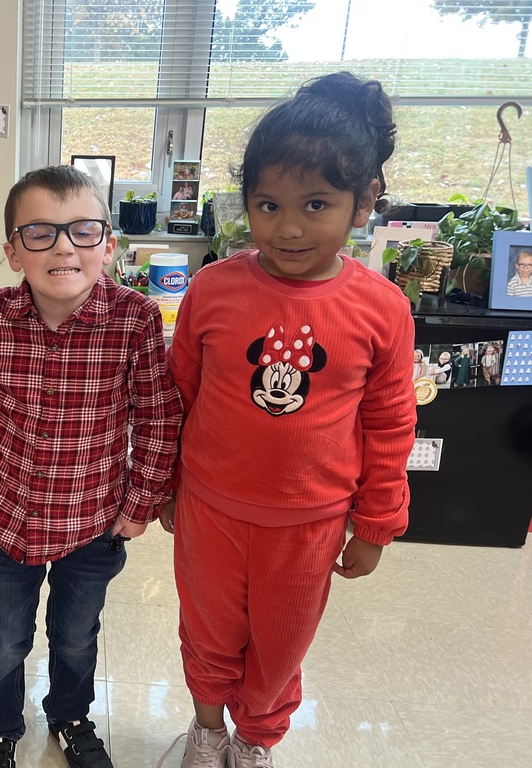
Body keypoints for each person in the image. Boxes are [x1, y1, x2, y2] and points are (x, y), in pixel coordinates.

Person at [162, 72, 417, 768]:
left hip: (309, 524)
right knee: (209, 634)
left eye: (316, 204)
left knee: (279, 649)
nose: (290, 227)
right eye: (268, 205)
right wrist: (164, 486)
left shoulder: (383, 308)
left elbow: (391, 423)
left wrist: (377, 524)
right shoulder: (213, 289)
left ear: (363, 203)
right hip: (211, 509)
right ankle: (208, 728)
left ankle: (255, 741)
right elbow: (176, 397)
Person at [0, 165, 183, 768]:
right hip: (8, 522)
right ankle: (0, 727)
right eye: (39, 232)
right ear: (13, 251)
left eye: (83, 231)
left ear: (108, 246)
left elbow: (159, 419)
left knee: (75, 636)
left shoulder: (135, 320)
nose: (63, 245)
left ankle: (70, 715)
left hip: (95, 523)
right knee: (4, 638)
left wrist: (139, 509)